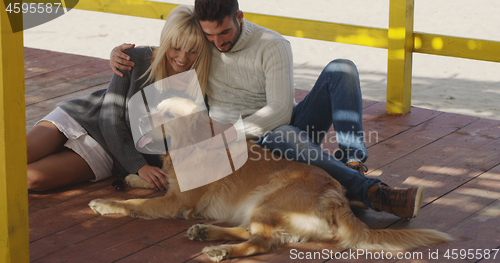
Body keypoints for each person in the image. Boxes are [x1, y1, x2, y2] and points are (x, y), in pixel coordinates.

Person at [109, 0, 424, 219]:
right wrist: (119, 54)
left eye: (224, 33)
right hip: (247, 147)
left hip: (274, 129)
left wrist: (228, 135)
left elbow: (279, 112)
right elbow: (174, 48)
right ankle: (372, 193)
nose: (216, 42)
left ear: (240, 17)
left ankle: (353, 164)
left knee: (341, 69)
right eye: (209, 35)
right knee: (286, 135)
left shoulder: (271, 45)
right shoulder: (203, 42)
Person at [27, 5, 211, 192]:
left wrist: (139, 165)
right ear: (165, 40)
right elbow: (110, 118)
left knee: (29, 179)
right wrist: (139, 166)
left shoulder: (201, 86)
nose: (182, 57)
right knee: (14, 156)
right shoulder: (133, 59)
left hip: (109, 152)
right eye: (176, 47)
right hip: (82, 116)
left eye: (193, 51)